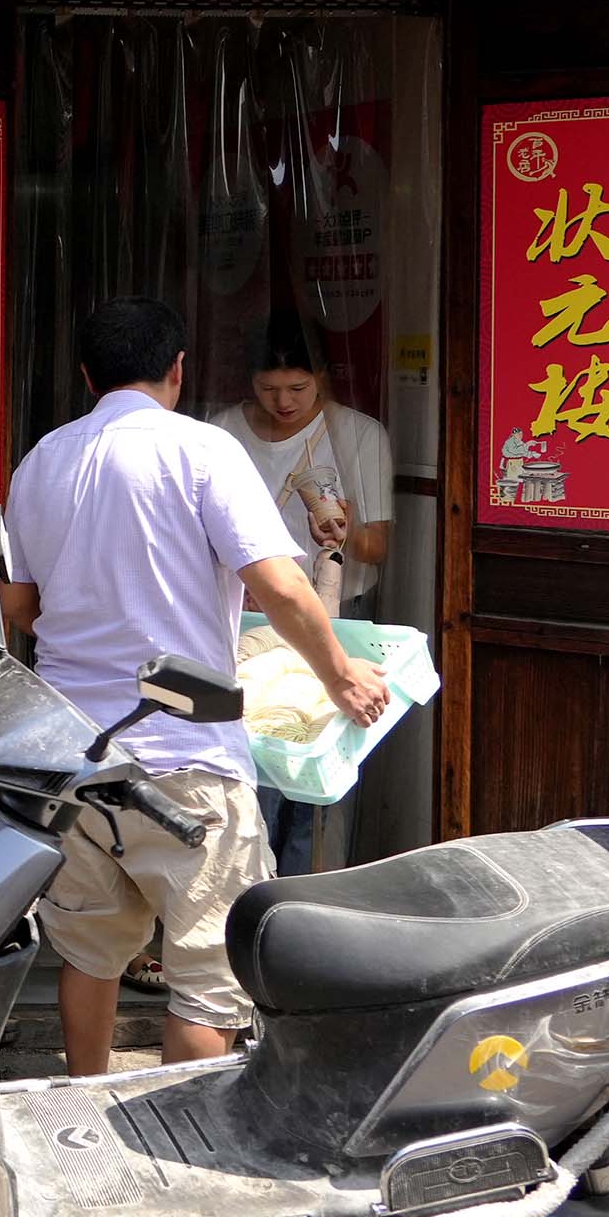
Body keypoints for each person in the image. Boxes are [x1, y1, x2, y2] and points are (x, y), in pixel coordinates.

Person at [0, 296, 391, 1077]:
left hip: (72, 754)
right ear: (177, 371)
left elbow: (19, 607)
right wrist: (343, 678)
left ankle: (84, 1110)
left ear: (87, 375)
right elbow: (279, 587)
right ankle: (183, 1152)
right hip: (189, 752)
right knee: (207, 984)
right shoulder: (203, 451)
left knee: (89, 954)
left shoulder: (42, 459)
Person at [206, 313, 396, 875]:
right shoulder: (218, 434)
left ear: (323, 377)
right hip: (244, 623)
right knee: (253, 767)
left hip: (336, 618)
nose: (283, 401)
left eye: (297, 387)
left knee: (319, 777)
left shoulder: (358, 435)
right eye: (268, 389)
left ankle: (308, 897)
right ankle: (248, 897)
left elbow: (376, 547)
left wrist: (343, 530)